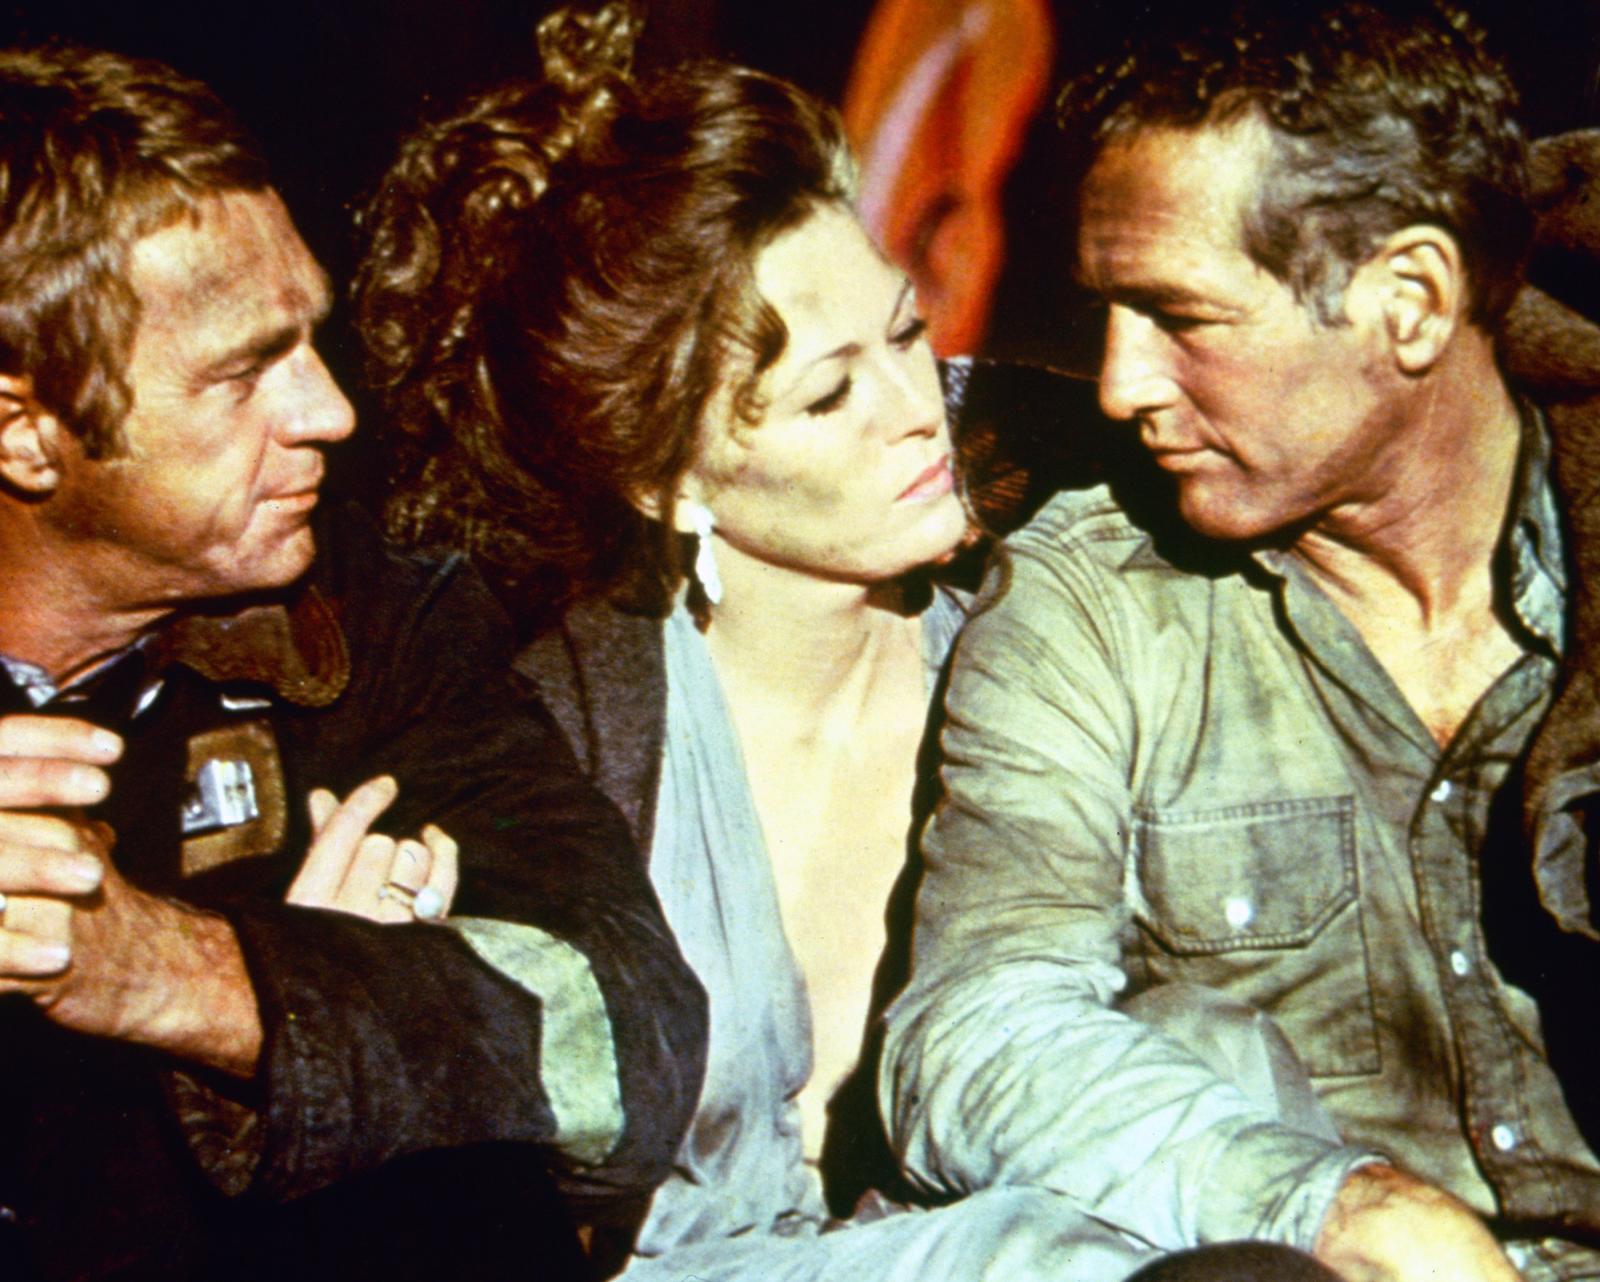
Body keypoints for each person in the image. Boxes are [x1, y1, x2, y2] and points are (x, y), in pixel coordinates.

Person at [357, 5, 1303, 1280]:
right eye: (827, 392)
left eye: (907, 336)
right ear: (665, 478)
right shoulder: (564, 741)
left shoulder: (1043, 633)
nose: (917, 409)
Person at [883, 1, 1600, 1279]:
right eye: (1107, 313)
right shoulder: (1094, 601)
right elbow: (977, 1028)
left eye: (1180, 318)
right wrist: (1342, 1212)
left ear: (1410, 303)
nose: (1120, 386)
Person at [0, 41, 705, 1282]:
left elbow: (634, 1043)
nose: (329, 411)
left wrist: (189, 975)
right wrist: (373, 989)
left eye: (310, 340)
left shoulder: (362, 628)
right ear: (23, 430)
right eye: (242, 372)